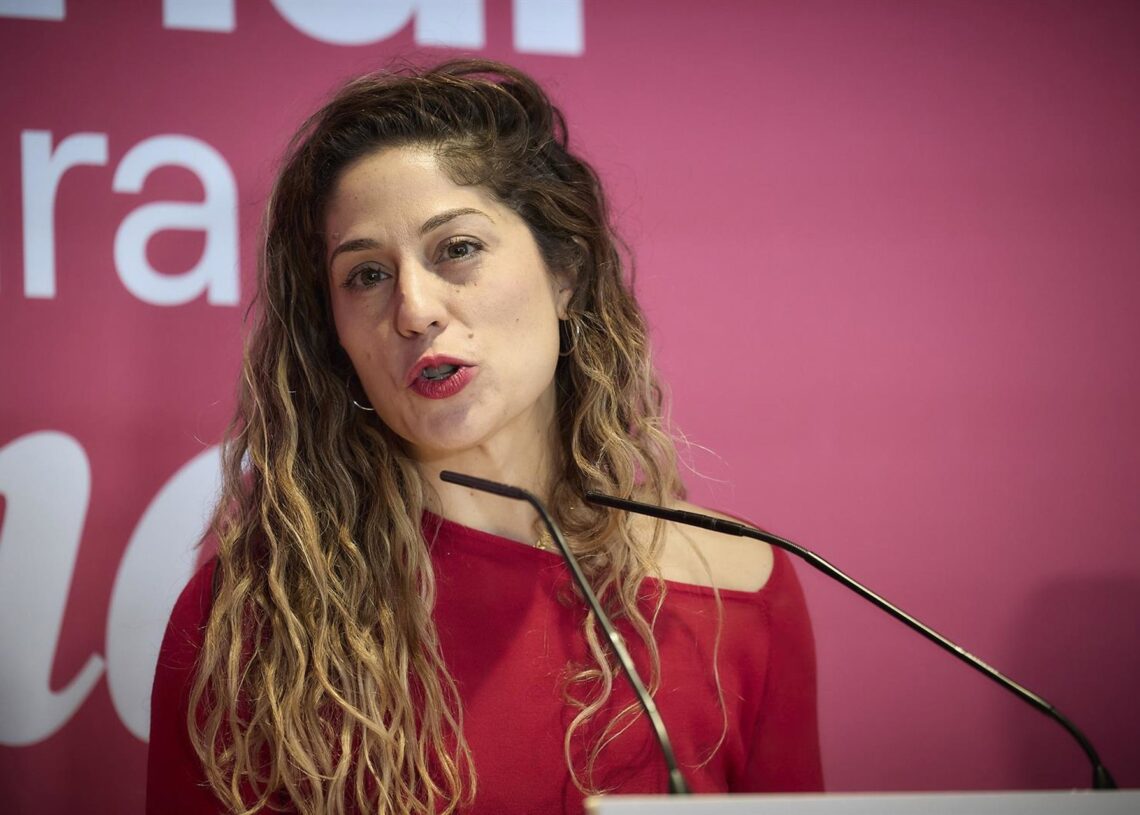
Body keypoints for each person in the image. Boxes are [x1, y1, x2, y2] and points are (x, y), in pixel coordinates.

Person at [146, 60, 822, 815]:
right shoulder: (253, 623)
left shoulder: (742, 590)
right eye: (366, 274)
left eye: (457, 248)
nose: (414, 308)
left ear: (566, 270)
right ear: (333, 335)